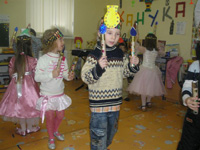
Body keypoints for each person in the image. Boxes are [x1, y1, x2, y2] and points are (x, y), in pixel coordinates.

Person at [81, 16, 140, 149]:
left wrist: (133, 65)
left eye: (117, 34)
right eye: (109, 33)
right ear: (100, 33)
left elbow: (125, 73)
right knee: (98, 135)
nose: (113, 37)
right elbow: (85, 77)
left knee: (111, 132)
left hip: (115, 104)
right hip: (99, 106)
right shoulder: (94, 55)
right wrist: (98, 68)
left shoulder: (119, 53)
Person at [35, 28, 74, 150]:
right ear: (51, 42)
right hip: (48, 95)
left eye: (62, 39)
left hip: (59, 94)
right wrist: (51, 74)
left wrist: (69, 76)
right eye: (60, 39)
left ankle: (56, 130)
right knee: (50, 117)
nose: (63, 42)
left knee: (61, 115)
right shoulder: (43, 59)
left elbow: (65, 74)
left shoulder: (62, 59)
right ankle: (51, 136)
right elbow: (37, 77)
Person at [0, 29, 40, 136]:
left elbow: (11, 73)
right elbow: (36, 75)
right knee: (30, 106)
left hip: (16, 85)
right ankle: (30, 128)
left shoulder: (13, 59)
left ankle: (23, 129)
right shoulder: (33, 60)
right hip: (30, 88)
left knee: (20, 107)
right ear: (29, 46)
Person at [127, 33, 166, 111]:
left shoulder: (144, 49)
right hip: (153, 71)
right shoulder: (156, 50)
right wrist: (160, 47)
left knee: (143, 89)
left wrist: (136, 38)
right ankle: (149, 102)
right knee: (150, 87)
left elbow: (135, 46)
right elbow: (163, 53)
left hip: (144, 70)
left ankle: (143, 105)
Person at [177, 41, 200, 150]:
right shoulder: (195, 66)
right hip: (194, 116)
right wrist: (186, 99)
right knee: (187, 144)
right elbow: (187, 86)